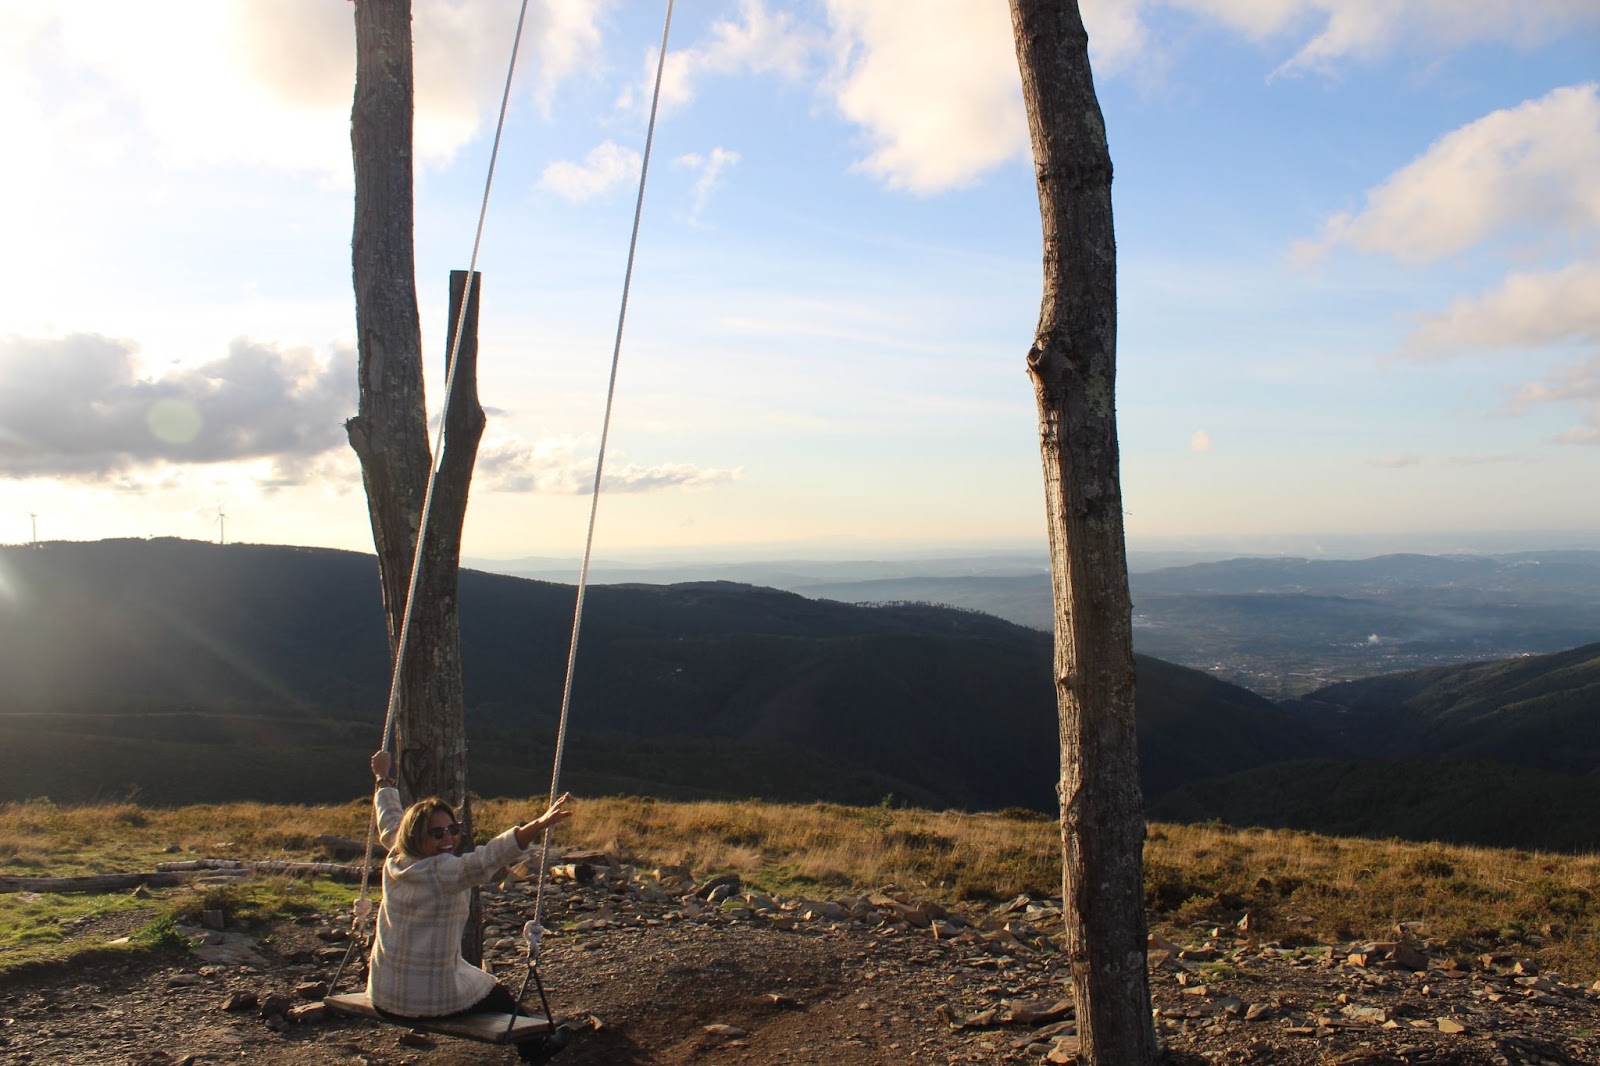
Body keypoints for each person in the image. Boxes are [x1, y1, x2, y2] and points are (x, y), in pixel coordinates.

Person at [365, 750, 572, 1024]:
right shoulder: (443, 871)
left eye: (452, 829)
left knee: (479, 981)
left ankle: (539, 1044)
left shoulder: (397, 855)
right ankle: (541, 1047)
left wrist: (382, 778)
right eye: (437, 833)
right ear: (417, 836)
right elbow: (488, 858)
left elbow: (390, 820)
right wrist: (539, 824)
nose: (448, 839)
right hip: (425, 1001)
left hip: (383, 993)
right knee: (496, 994)